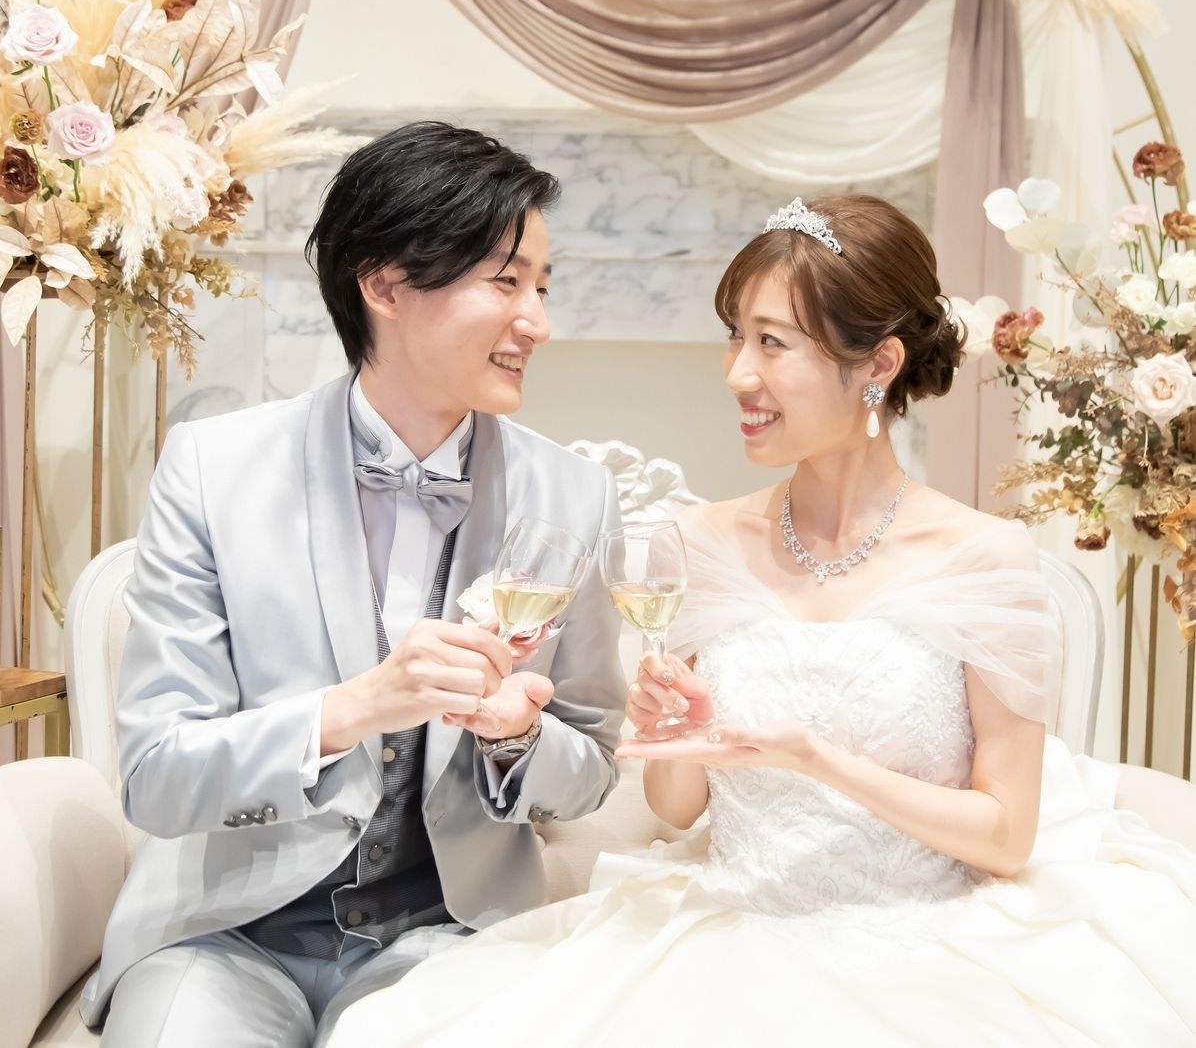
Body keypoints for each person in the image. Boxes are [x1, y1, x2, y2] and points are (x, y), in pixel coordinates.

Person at [324, 193, 1196, 1046]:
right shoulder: (699, 542)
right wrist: (677, 733)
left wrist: (815, 758)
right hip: (732, 925)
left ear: (878, 364)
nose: (738, 372)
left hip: (927, 942)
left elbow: (1006, 837)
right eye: (735, 336)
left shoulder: (985, 557)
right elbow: (675, 809)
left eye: (772, 342)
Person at [80, 121, 626, 1047]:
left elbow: (593, 769)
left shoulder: (573, 496)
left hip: (446, 937)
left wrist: (517, 738)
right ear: (385, 285)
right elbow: (156, 778)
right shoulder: (213, 469)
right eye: (506, 282)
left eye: (542, 286)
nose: (537, 321)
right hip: (222, 934)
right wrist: (354, 709)